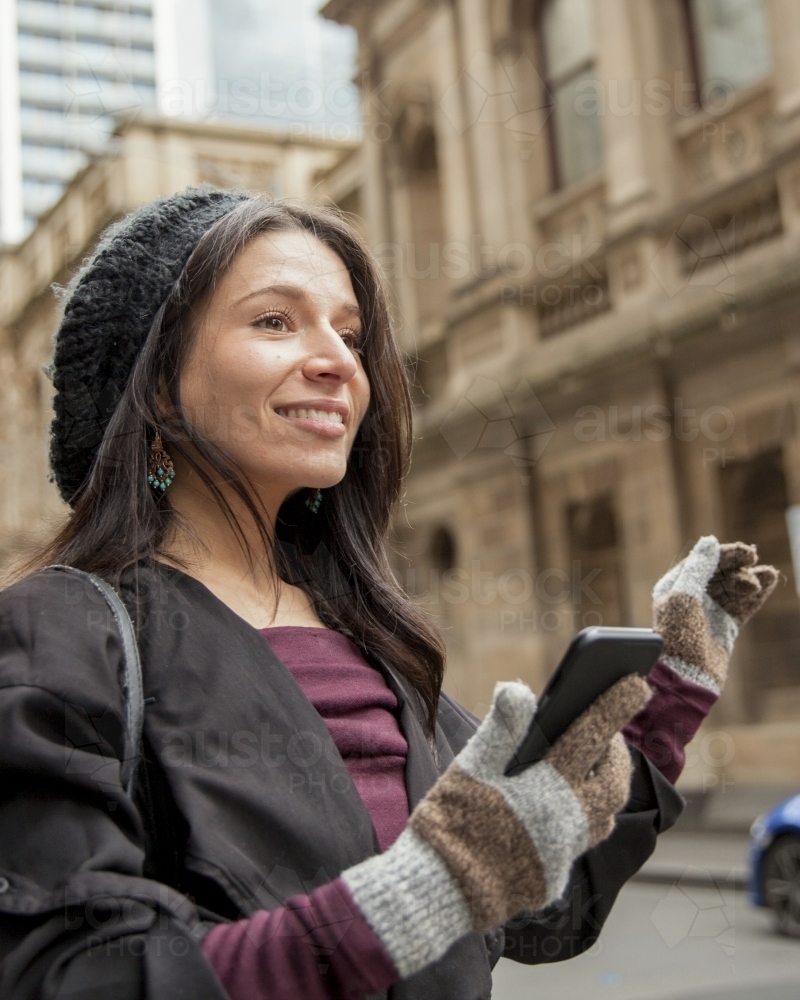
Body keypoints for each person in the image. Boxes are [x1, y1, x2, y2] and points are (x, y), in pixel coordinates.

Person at [0, 189, 778, 1000]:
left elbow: (540, 906)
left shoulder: (371, 641)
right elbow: (75, 975)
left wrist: (668, 700)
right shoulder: (55, 637)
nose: (339, 360)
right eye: (275, 321)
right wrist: (421, 890)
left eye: (351, 333)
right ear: (155, 386)